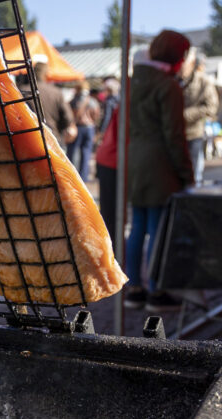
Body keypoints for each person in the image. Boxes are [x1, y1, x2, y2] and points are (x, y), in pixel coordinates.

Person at [124, 30, 193, 312]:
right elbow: (174, 136)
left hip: (135, 159)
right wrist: (187, 175)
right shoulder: (168, 86)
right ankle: (155, 291)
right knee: (156, 228)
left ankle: (134, 290)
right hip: (160, 164)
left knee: (138, 225)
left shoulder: (132, 81)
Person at [181, 49, 219, 185]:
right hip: (172, 135)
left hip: (192, 135)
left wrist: (186, 114)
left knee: (194, 174)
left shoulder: (203, 82)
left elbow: (211, 107)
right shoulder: (172, 79)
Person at [94, 77, 121, 247]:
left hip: (107, 157)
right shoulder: (119, 104)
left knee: (108, 210)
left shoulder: (117, 103)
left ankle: (108, 245)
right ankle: (109, 247)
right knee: (110, 211)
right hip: (112, 158)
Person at [32, 60, 75, 145]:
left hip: (30, 139)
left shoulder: (22, 92)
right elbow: (68, 118)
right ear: (46, 74)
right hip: (53, 139)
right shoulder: (56, 92)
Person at [67, 81, 99, 181]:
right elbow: (96, 115)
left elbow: (70, 113)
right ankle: (83, 177)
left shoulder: (74, 100)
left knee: (72, 152)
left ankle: (71, 175)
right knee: (86, 152)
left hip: (78, 127)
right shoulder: (92, 101)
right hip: (89, 128)